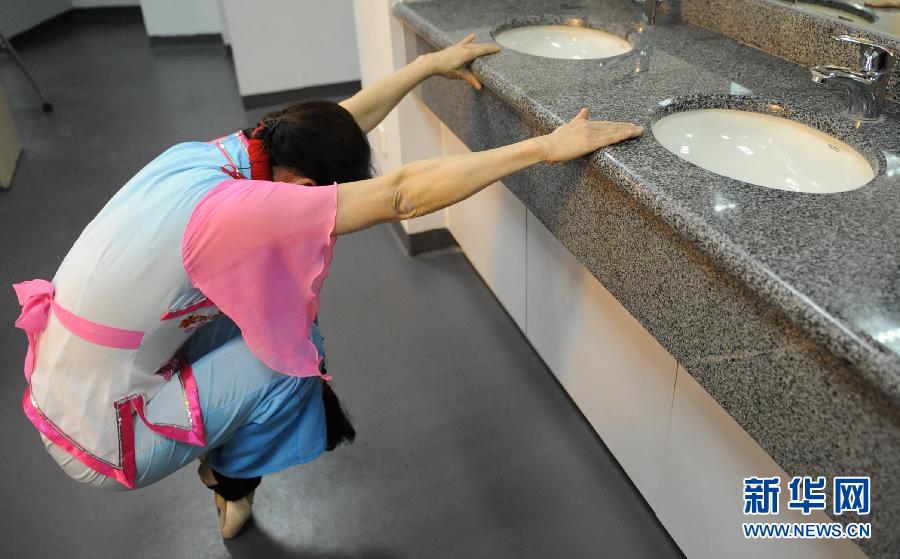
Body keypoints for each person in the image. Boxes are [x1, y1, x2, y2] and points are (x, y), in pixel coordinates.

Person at [12, 33, 643, 539]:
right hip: (102, 437)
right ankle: (228, 480)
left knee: (260, 314)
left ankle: (217, 444)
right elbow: (399, 196)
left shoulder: (217, 156)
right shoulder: (241, 209)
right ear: (307, 189)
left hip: (61, 384)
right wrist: (543, 148)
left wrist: (425, 66)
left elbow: (336, 123)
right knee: (293, 359)